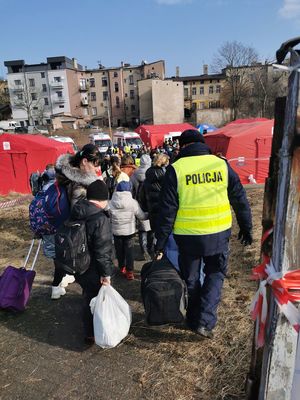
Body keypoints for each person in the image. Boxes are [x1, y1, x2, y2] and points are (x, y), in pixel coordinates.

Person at [155, 129, 252, 339]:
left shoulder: (176, 170)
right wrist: (246, 227)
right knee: (215, 274)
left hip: (188, 238)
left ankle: (192, 318)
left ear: (182, 146)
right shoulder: (220, 164)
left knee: (191, 279)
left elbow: (166, 211)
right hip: (219, 234)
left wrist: (160, 243)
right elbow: (239, 197)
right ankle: (205, 322)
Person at [49, 144, 101, 299]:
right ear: (85, 161)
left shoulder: (65, 175)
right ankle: (90, 302)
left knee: (64, 257)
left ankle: (57, 286)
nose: (96, 169)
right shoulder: (80, 183)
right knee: (84, 265)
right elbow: (79, 210)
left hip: (64, 226)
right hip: (78, 229)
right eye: (94, 164)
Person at [71, 180, 114, 344]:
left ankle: (90, 330)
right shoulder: (99, 219)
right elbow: (102, 251)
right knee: (96, 300)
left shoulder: (77, 210)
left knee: (88, 295)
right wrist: (106, 274)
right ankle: (94, 332)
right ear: (103, 199)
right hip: (93, 266)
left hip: (78, 263)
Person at [109, 181, 148, 280]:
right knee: (129, 251)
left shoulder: (111, 202)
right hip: (129, 232)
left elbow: (108, 215)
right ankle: (130, 271)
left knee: (119, 250)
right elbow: (141, 216)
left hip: (116, 231)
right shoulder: (132, 202)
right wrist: (148, 215)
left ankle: (122, 267)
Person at [130, 154, 153, 260]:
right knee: (151, 228)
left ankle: (143, 249)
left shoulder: (134, 174)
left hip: (139, 203)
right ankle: (150, 248)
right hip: (151, 203)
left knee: (142, 229)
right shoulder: (152, 173)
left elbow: (131, 190)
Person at [141, 153, 169, 233]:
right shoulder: (164, 174)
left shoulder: (148, 173)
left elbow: (142, 193)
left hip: (151, 207)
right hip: (163, 206)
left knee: (154, 232)